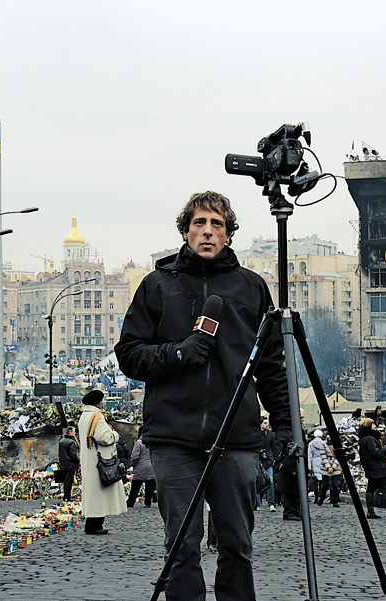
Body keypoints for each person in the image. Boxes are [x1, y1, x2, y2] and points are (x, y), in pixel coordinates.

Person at [115, 190, 291, 601]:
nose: (207, 232)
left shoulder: (252, 287)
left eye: (217, 224)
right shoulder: (157, 285)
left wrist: (283, 422)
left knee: (238, 547)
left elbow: (269, 365)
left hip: (237, 438)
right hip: (174, 437)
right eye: (199, 223)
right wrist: (177, 353)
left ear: (229, 234)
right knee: (181, 548)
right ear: (185, 230)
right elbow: (128, 354)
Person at [77, 389, 127, 534]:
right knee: (99, 494)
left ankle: (91, 524)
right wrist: (115, 435)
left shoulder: (84, 416)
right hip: (100, 461)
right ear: (99, 402)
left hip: (90, 460)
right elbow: (103, 438)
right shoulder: (97, 416)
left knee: (93, 494)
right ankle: (94, 525)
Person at [358, 418, 386, 520]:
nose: (375, 425)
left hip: (371, 469)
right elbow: (376, 453)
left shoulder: (363, 439)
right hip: (379, 469)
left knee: (371, 489)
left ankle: (370, 511)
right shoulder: (370, 439)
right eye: (373, 424)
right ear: (369, 426)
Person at [128, 427, 156, 508]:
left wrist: (134, 464)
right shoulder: (152, 443)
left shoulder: (139, 443)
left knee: (135, 486)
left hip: (140, 467)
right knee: (149, 486)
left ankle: (130, 502)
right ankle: (147, 503)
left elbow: (134, 456)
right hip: (151, 466)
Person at [318, 434, 342, 507]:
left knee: (335, 484)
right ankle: (321, 498)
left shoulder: (338, 443)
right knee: (324, 484)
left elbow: (339, 456)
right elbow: (323, 455)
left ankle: (335, 501)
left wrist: (334, 467)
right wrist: (328, 466)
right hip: (325, 466)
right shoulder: (323, 444)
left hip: (335, 466)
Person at [57, 426, 80, 502]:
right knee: (69, 482)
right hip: (70, 465)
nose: (75, 433)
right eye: (74, 431)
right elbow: (73, 454)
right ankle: (67, 497)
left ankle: (66, 496)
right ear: (70, 433)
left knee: (65, 481)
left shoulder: (61, 441)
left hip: (63, 464)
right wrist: (78, 461)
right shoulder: (71, 442)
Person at [258, 417, 276, 512]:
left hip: (268, 461)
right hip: (258, 460)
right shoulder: (256, 434)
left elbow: (273, 447)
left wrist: (272, 457)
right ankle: (256, 503)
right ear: (260, 424)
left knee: (271, 482)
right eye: (265, 423)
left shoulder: (270, 434)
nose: (267, 425)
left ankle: (271, 503)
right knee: (256, 481)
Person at [307, 430, 325, 506]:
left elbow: (309, 456)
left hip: (314, 461)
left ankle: (316, 497)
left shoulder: (311, 444)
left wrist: (309, 466)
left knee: (315, 481)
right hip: (322, 462)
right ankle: (321, 496)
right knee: (322, 480)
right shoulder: (324, 443)